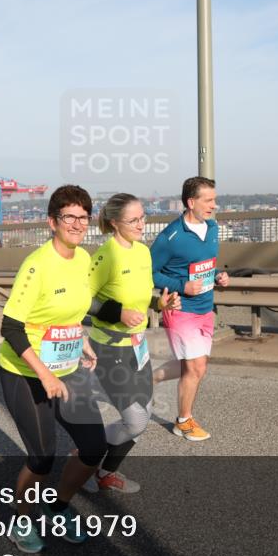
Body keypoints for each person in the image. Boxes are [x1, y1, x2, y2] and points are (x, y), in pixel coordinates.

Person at [0, 185, 106, 553]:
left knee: (93, 446)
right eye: (68, 217)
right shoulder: (37, 265)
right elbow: (10, 326)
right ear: (52, 222)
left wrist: (83, 341)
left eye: (83, 217)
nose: (77, 224)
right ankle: (21, 517)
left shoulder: (82, 259)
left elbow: (72, 312)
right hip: (26, 371)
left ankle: (58, 506)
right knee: (42, 457)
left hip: (67, 364)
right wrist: (44, 373)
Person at [77, 193, 179, 493]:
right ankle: (88, 456)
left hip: (138, 346)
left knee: (143, 415)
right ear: (114, 223)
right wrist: (117, 312)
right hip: (108, 348)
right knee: (134, 419)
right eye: (133, 220)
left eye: (143, 217)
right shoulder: (105, 255)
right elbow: (82, 301)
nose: (141, 224)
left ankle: (105, 472)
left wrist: (159, 304)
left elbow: (141, 297)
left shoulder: (142, 252)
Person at [150, 176, 229, 441]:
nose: (214, 205)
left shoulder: (213, 228)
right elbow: (150, 274)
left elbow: (205, 263)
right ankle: (183, 421)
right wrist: (182, 285)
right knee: (194, 368)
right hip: (180, 308)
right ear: (190, 202)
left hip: (206, 308)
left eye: (214, 200)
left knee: (198, 366)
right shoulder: (170, 237)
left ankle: (151, 378)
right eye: (208, 200)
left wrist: (218, 275)